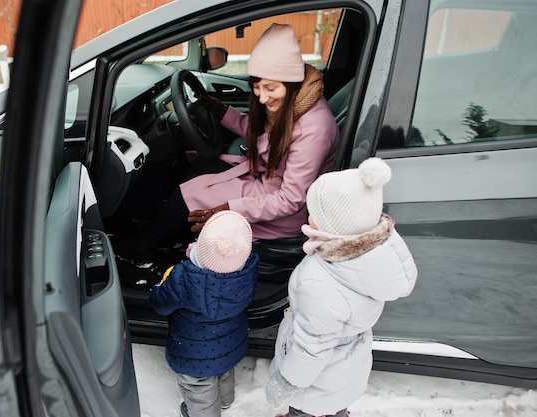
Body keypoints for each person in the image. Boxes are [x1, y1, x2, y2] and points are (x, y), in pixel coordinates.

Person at [115, 23, 339, 266]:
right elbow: (262, 137)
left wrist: (227, 208)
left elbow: (290, 200)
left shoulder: (313, 129)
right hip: (266, 178)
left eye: (270, 89)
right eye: (257, 88)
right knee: (203, 163)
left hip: (282, 210)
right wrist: (223, 112)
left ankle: (144, 244)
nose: (263, 98)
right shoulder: (291, 104)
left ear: (292, 82)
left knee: (192, 190)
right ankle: (168, 226)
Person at [264, 157, 418, 417]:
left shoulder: (319, 282)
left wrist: (286, 382)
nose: (309, 216)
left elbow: (313, 347)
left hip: (316, 381)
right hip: (348, 366)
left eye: (314, 213)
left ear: (333, 228)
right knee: (336, 406)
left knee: (306, 410)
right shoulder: (373, 254)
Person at [149, 210, 259, 417]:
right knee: (225, 371)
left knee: (199, 389)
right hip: (230, 344)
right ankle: (226, 401)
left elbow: (161, 304)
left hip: (193, 353)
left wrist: (159, 288)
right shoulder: (247, 274)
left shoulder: (182, 277)